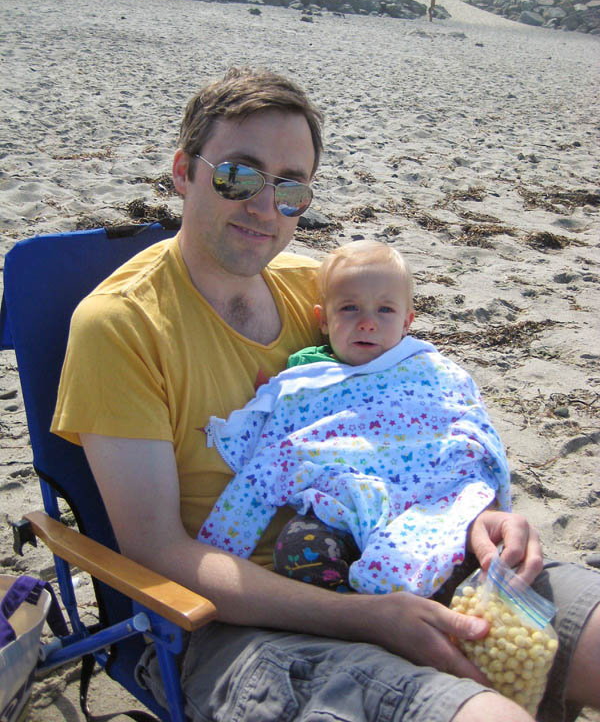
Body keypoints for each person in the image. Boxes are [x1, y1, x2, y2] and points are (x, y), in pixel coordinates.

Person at [51, 67, 600, 722]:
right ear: (182, 171)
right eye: (239, 176)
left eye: (291, 188)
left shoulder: (322, 292)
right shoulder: (121, 327)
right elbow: (158, 551)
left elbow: (405, 433)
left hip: (410, 555)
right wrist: (366, 618)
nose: (265, 207)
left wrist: (474, 514)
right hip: (246, 630)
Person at [199, 240, 512, 599]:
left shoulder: (429, 368)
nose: (367, 323)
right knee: (299, 548)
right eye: (349, 309)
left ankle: (436, 605)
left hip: (426, 501)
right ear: (323, 320)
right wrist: (223, 545)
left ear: (407, 321)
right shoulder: (306, 379)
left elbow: (469, 424)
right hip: (338, 507)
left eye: (385, 311)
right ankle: (348, 609)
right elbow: (272, 454)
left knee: (452, 555)